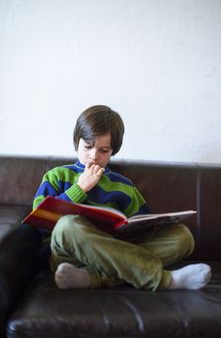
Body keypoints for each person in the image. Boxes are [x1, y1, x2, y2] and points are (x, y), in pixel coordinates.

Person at [33, 104, 211, 291]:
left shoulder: (124, 185)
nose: (93, 156)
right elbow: (38, 221)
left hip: (113, 251)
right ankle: (164, 280)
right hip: (68, 254)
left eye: (104, 150)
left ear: (113, 151)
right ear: (77, 141)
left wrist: (136, 227)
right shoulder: (57, 176)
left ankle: (91, 278)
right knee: (68, 225)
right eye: (88, 146)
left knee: (183, 236)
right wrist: (80, 188)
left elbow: (144, 224)